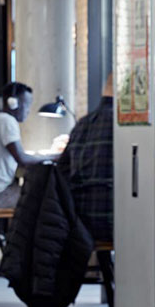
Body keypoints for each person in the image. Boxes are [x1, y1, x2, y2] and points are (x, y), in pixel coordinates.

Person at [57, 76, 114, 244]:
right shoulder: (126, 127)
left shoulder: (82, 124)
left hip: (80, 223)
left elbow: (62, 172)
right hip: (115, 220)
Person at [0, 81, 50, 209]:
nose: (28, 110)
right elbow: (22, 159)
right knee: (46, 200)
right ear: (13, 103)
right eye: (27, 105)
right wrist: (52, 157)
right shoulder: (7, 121)